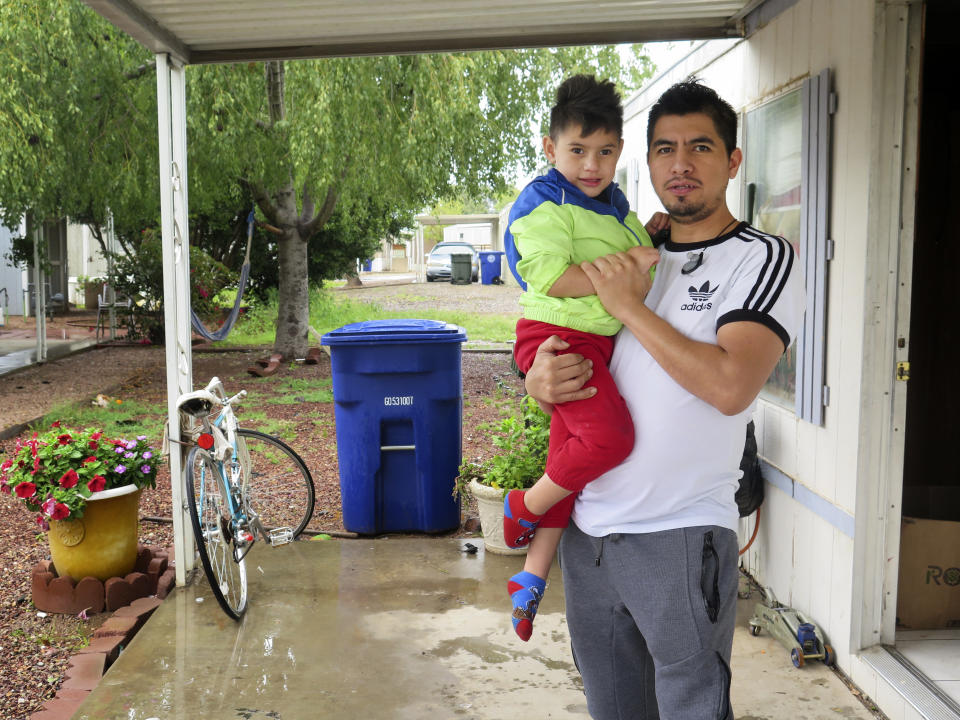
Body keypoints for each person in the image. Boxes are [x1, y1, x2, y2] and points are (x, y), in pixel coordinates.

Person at [523, 79, 804, 719]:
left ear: (733, 162)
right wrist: (540, 383)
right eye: (664, 148)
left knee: (691, 709)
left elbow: (732, 387)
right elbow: (582, 363)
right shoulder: (632, 253)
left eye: (700, 147)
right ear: (645, 163)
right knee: (613, 709)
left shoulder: (761, 259)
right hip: (589, 534)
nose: (680, 164)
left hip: (676, 535)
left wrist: (628, 305)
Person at [500, 74, 666, 642]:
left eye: (605, 152)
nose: (591, 165)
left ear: (620, 151)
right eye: (577, 151)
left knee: (567, 462)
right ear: (551, 150)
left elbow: (624, 253)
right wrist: (625, 276)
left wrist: (647, 238)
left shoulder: (614, 205)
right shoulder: (545, 204)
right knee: (608, 441)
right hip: (558, 337)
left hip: (591, 339)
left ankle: (529, 579)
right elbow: (550, 274)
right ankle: (521, 506)